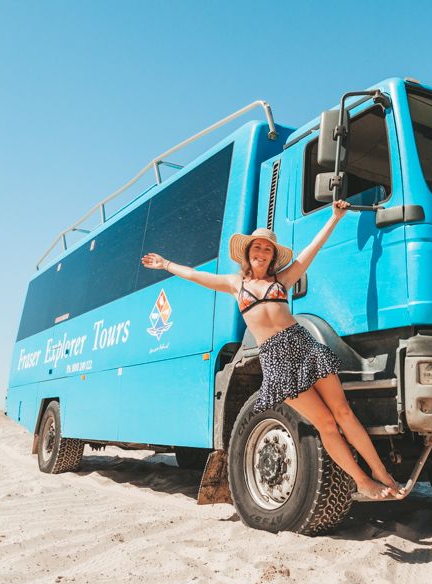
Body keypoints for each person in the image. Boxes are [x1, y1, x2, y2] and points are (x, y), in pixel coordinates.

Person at [140, 199, 406, 500]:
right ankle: (361, 481)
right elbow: (195, 276)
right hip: (275, 359)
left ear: (272, 256)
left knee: (343, 412)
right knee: (325, 423)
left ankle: (381, 472)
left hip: (303, 346)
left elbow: (310, 252)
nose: (262, 252)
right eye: (258, 247)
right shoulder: (234, 283)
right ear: (248, 252)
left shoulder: (282, 280)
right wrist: (165, 265)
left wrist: (334, 217)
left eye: (268, 249)